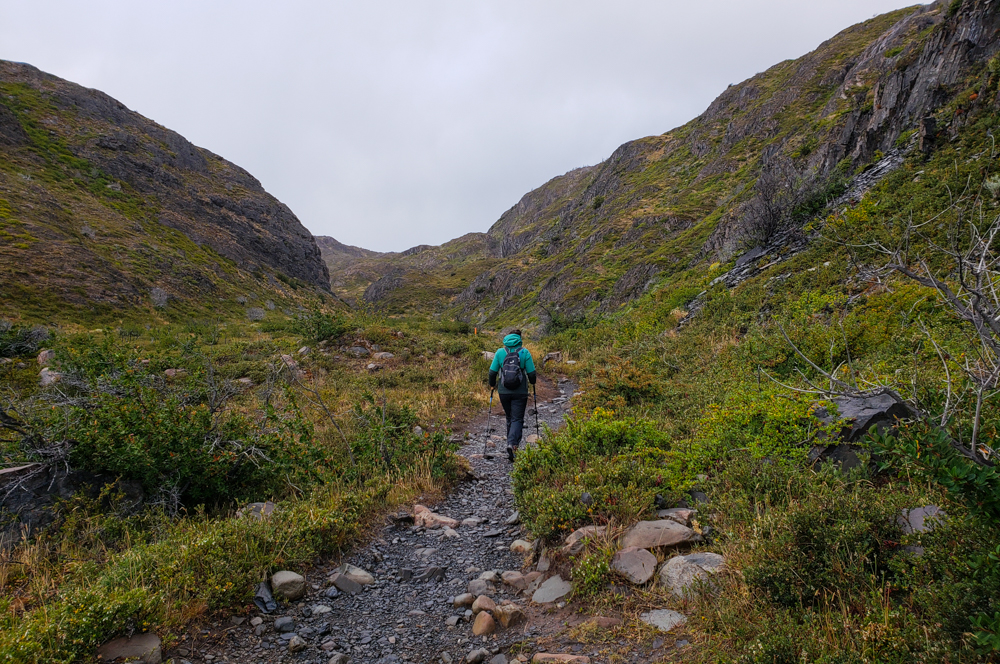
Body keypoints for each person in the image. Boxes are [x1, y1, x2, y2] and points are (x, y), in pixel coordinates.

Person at [488, 329, 537, 462]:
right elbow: (532, 374)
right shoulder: (524, 352)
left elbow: (492, 373)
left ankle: (511, 443)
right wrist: (533, 382)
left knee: (510, 417)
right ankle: (512, 444)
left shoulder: (500, 352)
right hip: (520, 392)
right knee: (517, 419)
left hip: (503, 391)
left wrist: (492, 385)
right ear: (519, 339)